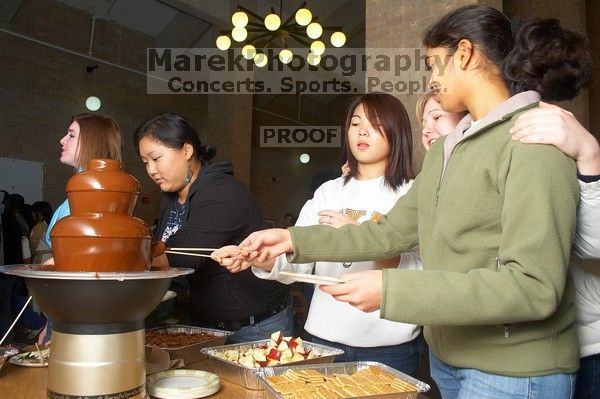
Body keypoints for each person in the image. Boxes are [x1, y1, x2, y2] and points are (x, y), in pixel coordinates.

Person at [216, 6, 591, 398]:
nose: (431, 80)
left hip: (514, 370)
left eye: (433, 65)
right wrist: (293, 240)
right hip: (451, 360)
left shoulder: (532, 138)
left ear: (463, 54)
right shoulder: (449, 147)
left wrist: (393, 291)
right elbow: (390, 232)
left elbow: (533, 287)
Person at [220, 93, 423, 375]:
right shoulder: (329, 191)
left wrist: (360, 239)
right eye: (355, 123)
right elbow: (299, 262)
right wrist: (261, 257)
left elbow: (427, 272)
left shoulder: (412, 193)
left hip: (390, 347)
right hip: (324, 341)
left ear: (396, 131)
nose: (362, 131)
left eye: (375, 124)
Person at [418, 94, 600, 399]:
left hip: (574, 344)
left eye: (437, 117)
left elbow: (587, 247)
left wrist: (590, 155)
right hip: (481, 346)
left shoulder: (531, 138)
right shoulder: (439, 172)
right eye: (422, 122)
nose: (426, 129)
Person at [133, 113, 293, 343]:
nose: (151, 170)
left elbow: (183, 253)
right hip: (204, 323)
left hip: (255, 326)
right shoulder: (171, 196)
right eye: (145, 162)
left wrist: (119, 257)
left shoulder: (224, 192)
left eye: (156, 158)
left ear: (186, 151)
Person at [38, 113, 123, 345]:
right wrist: (50, 323)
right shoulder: (72, 198)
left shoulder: (100, 198)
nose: (62, 140)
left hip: (79, 313)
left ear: (92, 142)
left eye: (71, 135)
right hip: (63, 310)